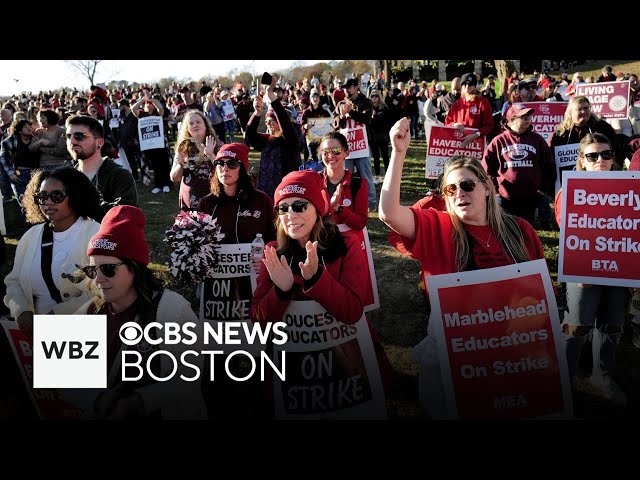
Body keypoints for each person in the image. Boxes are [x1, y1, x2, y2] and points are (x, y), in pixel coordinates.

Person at [379, 117, 546, 418]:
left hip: (510, 354)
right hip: (452, 357)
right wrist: (398, 152)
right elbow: (389, 214)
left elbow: (538, 295)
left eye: (467, 185)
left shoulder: (521, 230)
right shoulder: (439, 229)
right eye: (450, 189)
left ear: (487, 187)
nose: (459, 193)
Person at [250, 170, 392, 416]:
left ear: (318, 209)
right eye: (282, 209)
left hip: (345, 361)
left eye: (299, 206)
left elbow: (352, 311)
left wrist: (317, 279)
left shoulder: (345, 246)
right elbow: (258, 320)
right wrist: (281, 292)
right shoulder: (273, 251)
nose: (290, 215)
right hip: (290, 369)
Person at [75, 205, 207, 419]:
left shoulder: (174, 310)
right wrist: (97, 399)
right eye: (92, 270)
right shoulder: (87, 312)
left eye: (108, 269)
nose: (98, 279)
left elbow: (189, 375)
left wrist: (138, 401)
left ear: (134, 268)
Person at [554, 133, 628, 405]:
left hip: (620, 269)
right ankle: (564, 380)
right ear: (582, 161)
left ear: (613, 158)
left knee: (612, 323)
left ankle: (602, 375)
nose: (600, 160)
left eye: (606, 155)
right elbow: (568, 227)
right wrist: (583, 268)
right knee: (577, 325)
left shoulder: (631, 188)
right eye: (592, 156)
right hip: (584, 269)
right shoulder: (570, 190)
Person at [4, 167, 101, 336]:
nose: (47, 202)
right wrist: (21, 311)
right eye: (42, 197)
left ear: (76, 196)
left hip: (83, 334)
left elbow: (102, 291)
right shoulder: (31, 236)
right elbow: (14, 282)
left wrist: (57, 316)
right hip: (34, 336)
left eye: (56, 196)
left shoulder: (96, 235)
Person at [482, 104, 555, 225]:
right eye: (523, 117)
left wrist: (544, 188)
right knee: (506, 228)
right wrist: (495, 189)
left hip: (531, 196)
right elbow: (487, 168)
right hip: (506, 197)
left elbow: (549, 165)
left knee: (527, 227)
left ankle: (545, 223)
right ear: (511, 121)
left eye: (528, 116)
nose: (528, 119)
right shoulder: (498, 141)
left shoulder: (537, 139)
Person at [197, 142, 275, 244]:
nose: (225, 169)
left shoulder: (262, 201)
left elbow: (275, 236)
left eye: (232, 164)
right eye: (220, 163)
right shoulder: (206, 203)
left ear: (242, 169)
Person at [66, 114, 137, 222]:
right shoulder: (67, 177)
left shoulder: (120, 175)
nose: (72, 141)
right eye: (68, 136)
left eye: (79, 136)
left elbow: (125, 213)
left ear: (99, 142)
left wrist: (83, 206)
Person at [246, 75, 301, 198]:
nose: (268, 124)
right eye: (266, 121)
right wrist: (257, 113)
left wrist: (270, 94)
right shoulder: (266, 140)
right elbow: (250, 134)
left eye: (271, 120)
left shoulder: (290, 140)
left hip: (287, 193)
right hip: (265, 194)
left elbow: (284, 121)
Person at [333, 78, 377, 211]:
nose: (346, 90)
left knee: (365, 175)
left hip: (361, 146)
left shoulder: (365, 101)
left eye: (349, 87)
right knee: (346, 176)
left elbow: (367, 119)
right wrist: (341, 116)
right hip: (347, 147)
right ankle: (347, 202)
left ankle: (371, 202)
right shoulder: (340, 103)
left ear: (356, 87)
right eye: (344, 87)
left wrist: (350, 112)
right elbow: (335, 123)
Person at [170, 110, 223, 210]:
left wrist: (211, 155)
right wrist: (180, 164)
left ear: (205, 125)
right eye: (191, 123)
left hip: (213, 198)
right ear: (187, 129)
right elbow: (174, 178)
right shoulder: (183, 148)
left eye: (198, 122)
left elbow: (226, 171)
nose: (195, 125)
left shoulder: (217, 145)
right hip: (190, 202)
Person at [549, 95, 619, 168]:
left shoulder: (602, 127)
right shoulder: (561, 132)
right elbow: (550, 156)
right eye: (579, 109)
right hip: (568, 175)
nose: (583, 112)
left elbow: (615, 150)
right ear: (570, 112)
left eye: (586, 108)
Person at [319, 131, 368, 231]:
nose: (331, 155)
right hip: (320, 242)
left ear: (346, 153)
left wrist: (338, 208)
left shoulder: (358, 183)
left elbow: (360, 223)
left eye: (336, 150)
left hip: (348, 243)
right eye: (326, 151)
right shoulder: (315, 181)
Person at [132, 90, 172, 194]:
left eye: (150, 104)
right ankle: (158, 185)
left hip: (160, 144)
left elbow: (161, 107)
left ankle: (166, 184)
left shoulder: (157, 113)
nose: (148, 106)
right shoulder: (142, 115)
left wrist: (151, 99)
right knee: (155, 165)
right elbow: (133, 108)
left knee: (164, 164)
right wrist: (143, 99)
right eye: (146, 104)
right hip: (150, 145)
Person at [445, 73, 494, 148]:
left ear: (474, 86)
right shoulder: (456, 105)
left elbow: (489, 125)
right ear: (461, 86)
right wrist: (455, 125)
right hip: (458, 144)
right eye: (464, 84)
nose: (467, 87)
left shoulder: (482, 102)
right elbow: (447, 123)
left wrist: (476, 134)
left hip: (476, 145)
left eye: (470, 84)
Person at [0, 118, 39, 207]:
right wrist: (11, 173)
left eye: (30, 126)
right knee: (24, 201)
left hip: (35, 173)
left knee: (36, 201)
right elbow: (4, 158)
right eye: (25, 127)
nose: (29, 128)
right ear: (19, 129)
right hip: (20, 174)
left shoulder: (35, 139)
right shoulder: (11, 141)